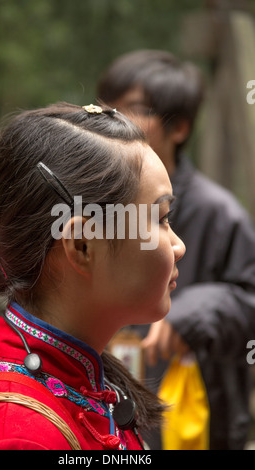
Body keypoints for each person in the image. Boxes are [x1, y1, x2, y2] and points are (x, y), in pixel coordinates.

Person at [0, 102, 185, 450]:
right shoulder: (15, 435)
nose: (178, 245)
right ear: (81, 245)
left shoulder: (83, 383)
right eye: (161, 219)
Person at [97, 49, 255, 450]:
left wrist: (197, 311)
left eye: (133, 109)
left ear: (179, 127)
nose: (115, 121)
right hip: (110, 414)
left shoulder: (219, 214)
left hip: (195, 420)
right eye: (106, 107)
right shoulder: (95, 202)